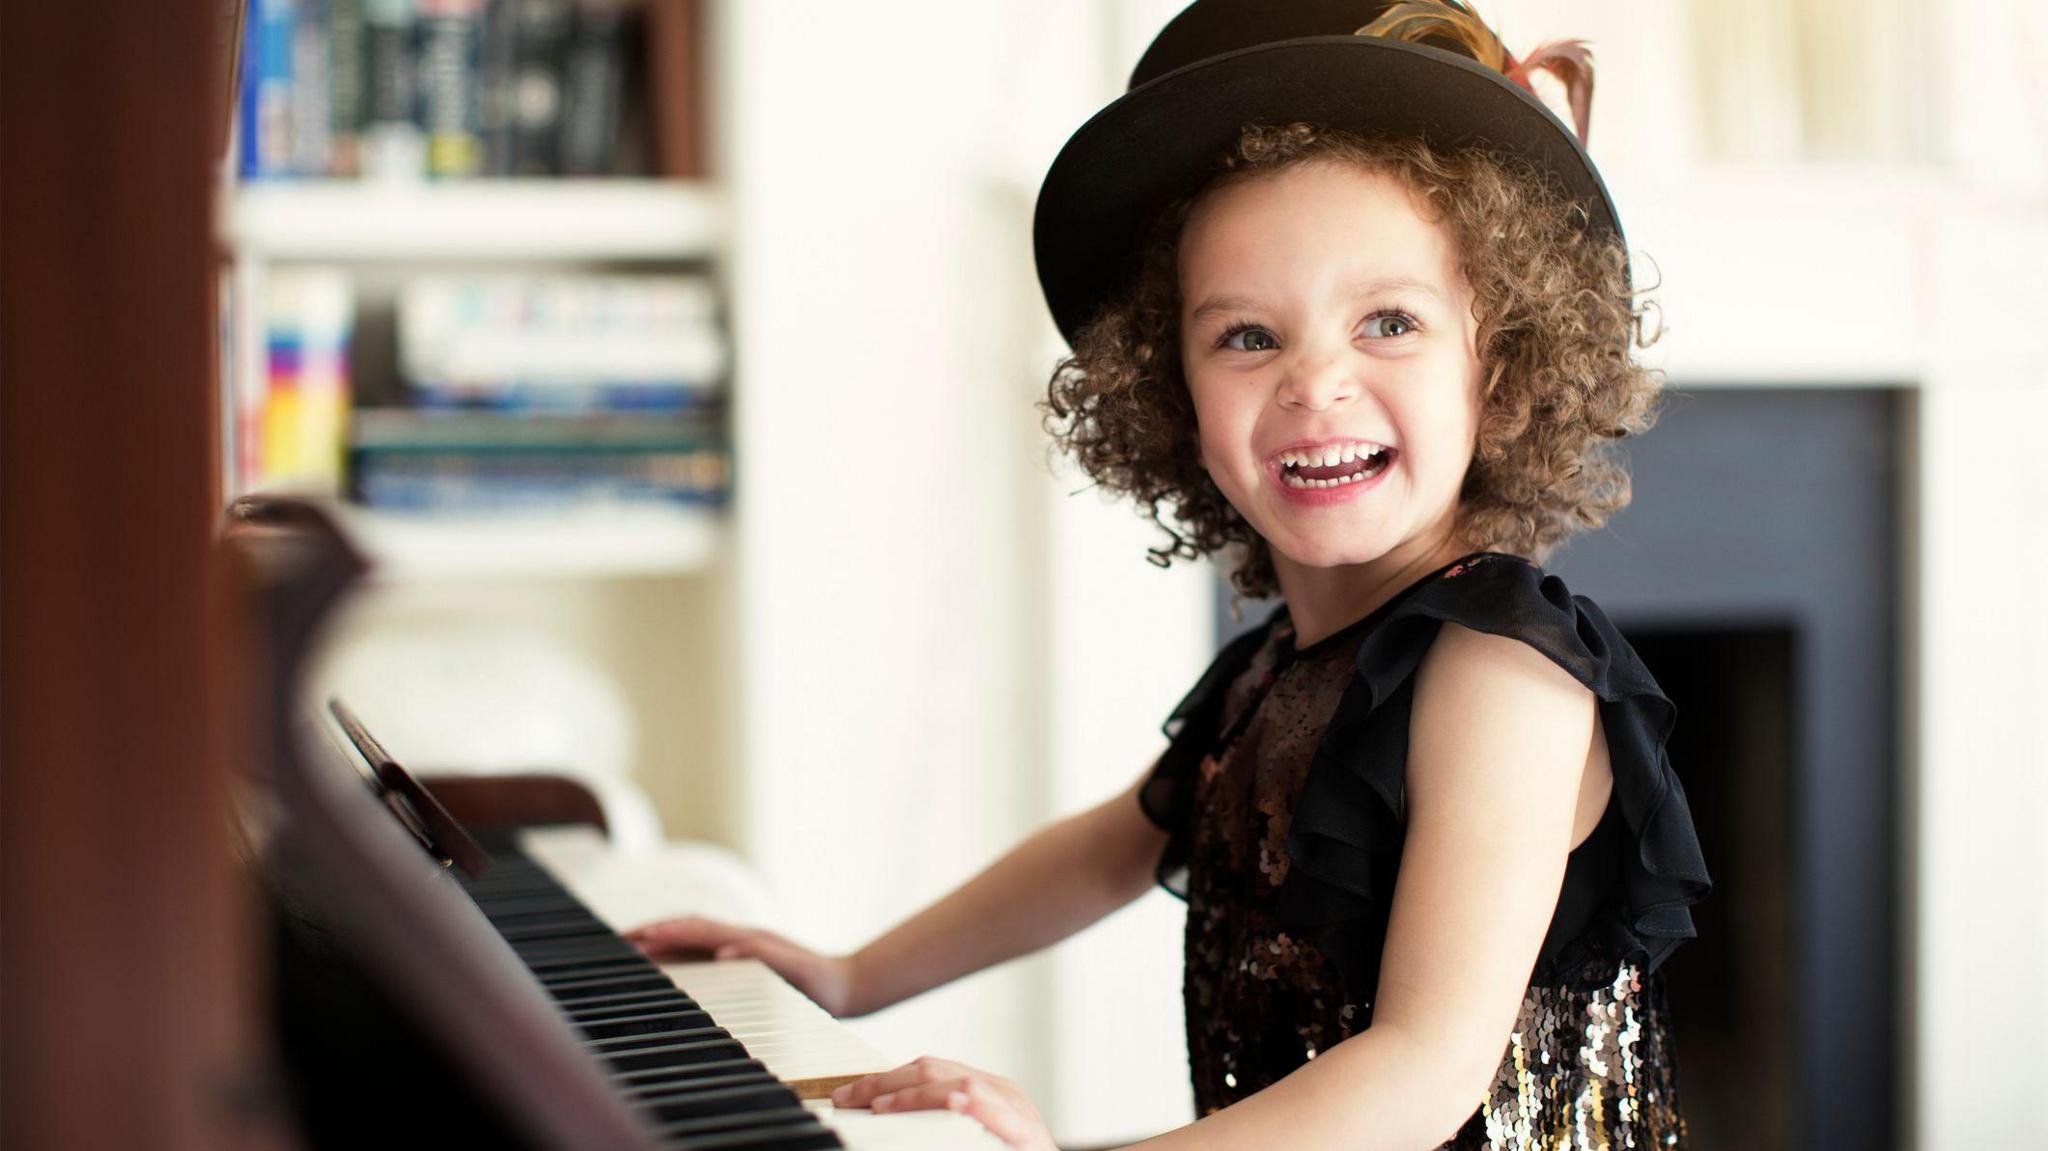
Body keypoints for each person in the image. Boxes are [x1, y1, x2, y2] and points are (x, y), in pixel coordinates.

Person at [628, 2, 1713, 1147]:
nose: (1314, 382)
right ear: (1169, 395)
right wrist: (851, 976)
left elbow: (1422, 1071)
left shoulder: (1499, 671)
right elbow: (1109, 845)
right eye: (1245, 336)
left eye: (1386, 321)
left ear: (1497, 367)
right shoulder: (1278, 670)